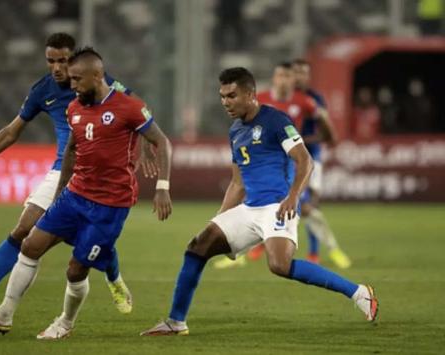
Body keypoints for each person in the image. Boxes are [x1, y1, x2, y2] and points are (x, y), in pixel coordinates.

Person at [140, 67, 377, 336]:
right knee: (197, 247)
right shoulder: (235, 130)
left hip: (278, 206)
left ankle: (359, 293)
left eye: (232, 96)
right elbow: (237, 183)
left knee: (279, 265)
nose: (225, 102)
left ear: (250, 94)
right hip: (249, 209)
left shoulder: (276, 120)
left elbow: (305, 161)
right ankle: (176, 322)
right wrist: (220, 218)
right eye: (222, 96)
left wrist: (293, 197)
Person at [0, 33, 152, 314]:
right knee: (22, 231)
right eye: (50, 61)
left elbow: (138, 111)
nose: (56, 68)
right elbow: (10, 132)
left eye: (63, 61)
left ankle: (114, 278)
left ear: (75, 60)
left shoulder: (100, 82)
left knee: (91, 240)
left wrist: (146, 149)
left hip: (100, 178)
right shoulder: (43, 90)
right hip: (62, 172)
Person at [0, 47, 173, 339]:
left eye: (78, 79)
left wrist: (162, 188)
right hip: (75, 195)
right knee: (30, 245)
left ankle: (65, 322)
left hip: (110, 205)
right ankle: (4, 314)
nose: (73, 86)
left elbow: (162, 142)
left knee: (75, 270)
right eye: (71, 79)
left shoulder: (129, 106)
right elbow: (70, 150)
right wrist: (59, 194)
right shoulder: (74, 108)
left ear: (98, 76)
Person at [213, 62, 351, 269]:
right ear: (274, 78)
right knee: (258, 205)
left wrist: (312, 140)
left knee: (306, 208)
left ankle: (327, 249)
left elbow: (325, 128)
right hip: (270, 162)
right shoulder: (263, 100)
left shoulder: (306, 101)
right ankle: (248, 251)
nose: (285, 80)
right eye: (281, 75)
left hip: (296, 161)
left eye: (289, 76)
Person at [292, 58, 351, 267]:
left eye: (303, 72)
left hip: (312, 157)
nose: (300, 76)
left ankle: (315, 253)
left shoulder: (315, 99)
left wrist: (303, 140)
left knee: (310, 205)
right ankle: (324, 251)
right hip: (290, 159)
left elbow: (326, 133)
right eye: (296, 72)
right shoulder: (285, 98)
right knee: (301, 205)